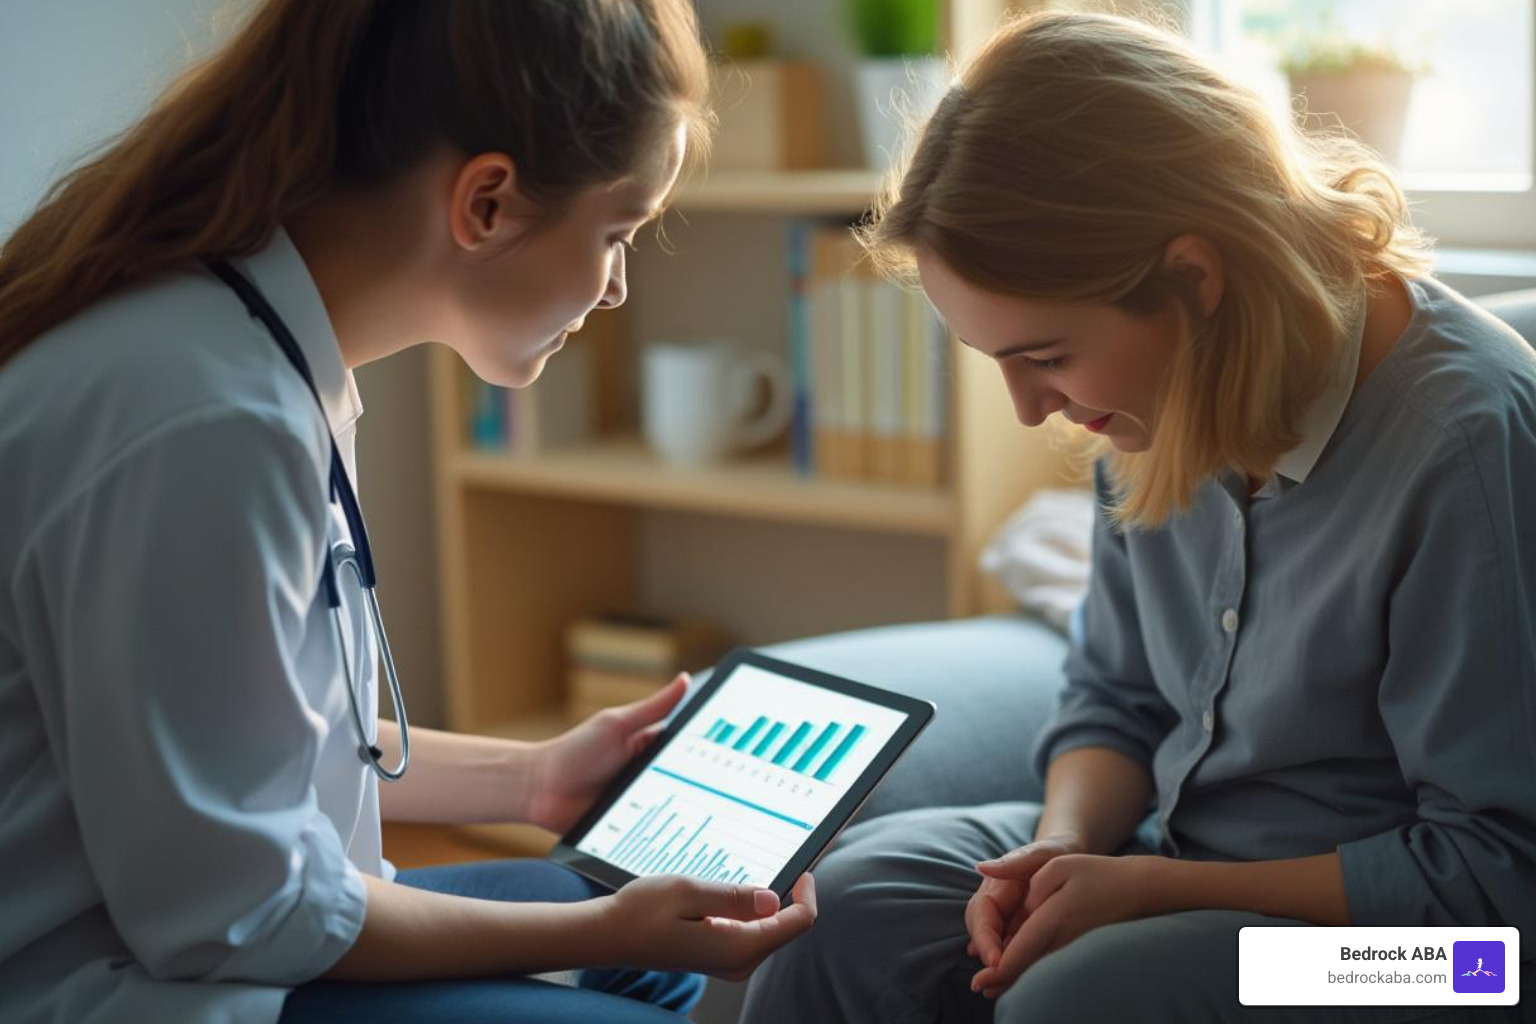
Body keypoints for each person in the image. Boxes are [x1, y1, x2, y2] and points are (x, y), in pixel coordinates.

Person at [0, 3, 815, 1023]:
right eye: (616, 234)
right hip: (120, 985)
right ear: (487, 203)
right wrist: (606, 929)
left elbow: (246, 750)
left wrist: (530, 780)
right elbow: (240, 913)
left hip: (196, 928)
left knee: (637, 950)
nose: (615, 288)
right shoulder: (206, 420)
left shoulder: (248, 346)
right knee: (625, 960)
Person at [740, 11, 1534, 1024]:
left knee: (1080, 997)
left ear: (1194, 280)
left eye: (1048, 357)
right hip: (1173, 857)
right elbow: (1113, 696)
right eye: (1000, 364)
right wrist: (1064, 846)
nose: (1030, 410)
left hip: (1435, 960)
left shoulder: (1463, 447)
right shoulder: (1158, 401)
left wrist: (1160, 892)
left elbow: (1496, 880)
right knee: (844, 906)